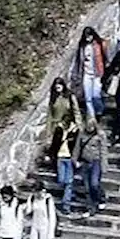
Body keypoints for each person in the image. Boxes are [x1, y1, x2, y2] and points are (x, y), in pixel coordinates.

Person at [46, 77, 78, 213]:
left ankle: (68, 198)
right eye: (56, 85)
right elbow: (49, 115)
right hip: (56, 128)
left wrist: (78, 124)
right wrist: (48, 132)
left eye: (60, 85)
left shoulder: (69, 97)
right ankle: (69, 192)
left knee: (68, 179)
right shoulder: (53, 98)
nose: (58, 87)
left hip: (69, 127)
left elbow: (75, 111)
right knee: (61, 178)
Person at [69, 26, 108, 119]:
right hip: (86, 73)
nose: (88, 38)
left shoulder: (100, 44)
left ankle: (100, 109)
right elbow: (79, 61)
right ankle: (91, 116)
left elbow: (106, 58)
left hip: (98, 74)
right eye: (86, 37)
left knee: (96, 95)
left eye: (90, 36)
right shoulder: (82, 46)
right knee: (88, 98)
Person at [71, 117, 107, 215]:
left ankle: (101, 197)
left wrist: (104, 165)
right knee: (87, 186)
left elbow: (103, 150)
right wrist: (74, 159)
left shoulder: (100, 135)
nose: (89, 128)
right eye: (88, 126)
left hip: (96, 161)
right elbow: (77, 146)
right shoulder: (82, 133)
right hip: (85, 161)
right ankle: (90, 207)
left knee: (94, 183)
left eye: (91, 126)